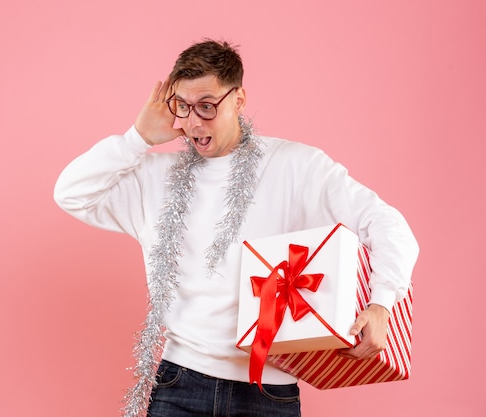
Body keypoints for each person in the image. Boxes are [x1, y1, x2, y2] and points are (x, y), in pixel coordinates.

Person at [54, 39, 419, 417]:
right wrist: (138, 137)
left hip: (269, 392)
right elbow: (71, 193)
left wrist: (382, 303)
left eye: (208, 106)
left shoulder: (297, 165)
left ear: (239, 100)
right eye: (183, 106)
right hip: (180, 384)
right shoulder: (155, 179)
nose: (194, 122)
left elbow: (388, 223)